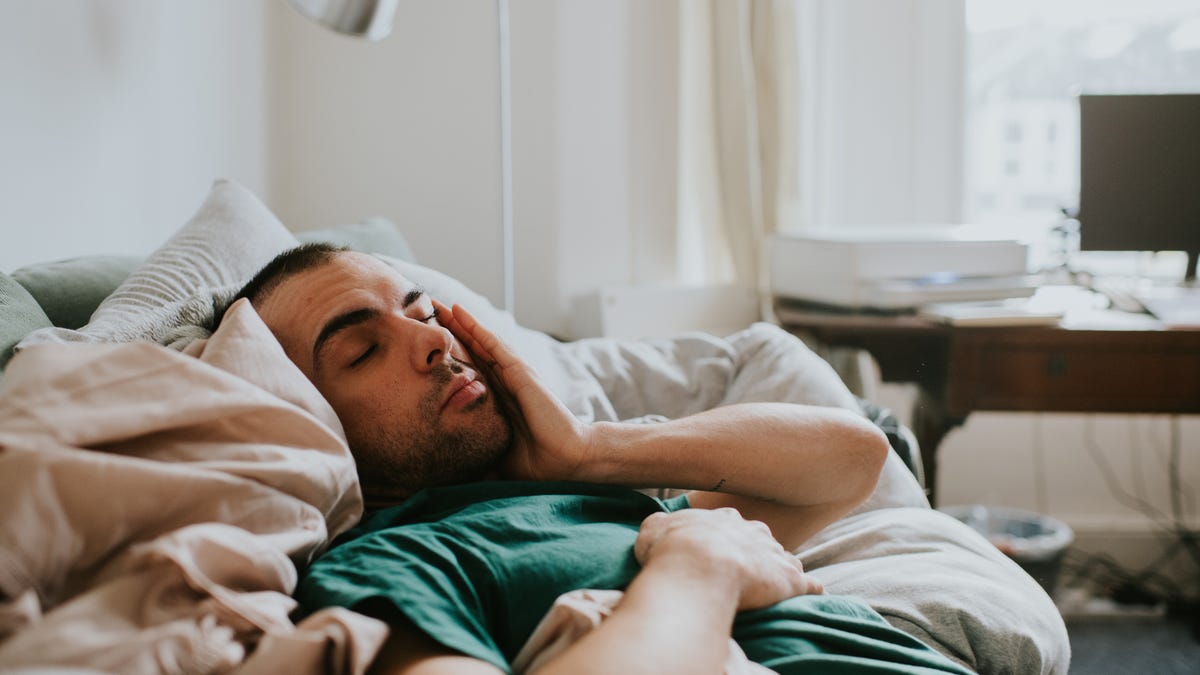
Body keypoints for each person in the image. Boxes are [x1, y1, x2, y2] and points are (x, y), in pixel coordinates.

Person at [230, 244, 972, 674]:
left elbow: (853, 459)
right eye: (363, 350)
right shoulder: (388, 567)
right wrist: (701, 570)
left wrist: (590, 450)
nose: (433, 341)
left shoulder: (575, 500)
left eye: (424, 313)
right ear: (307, 415)